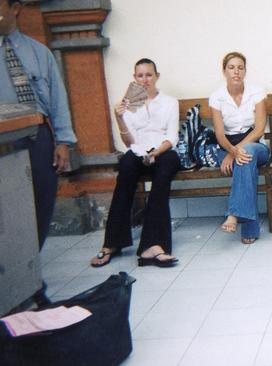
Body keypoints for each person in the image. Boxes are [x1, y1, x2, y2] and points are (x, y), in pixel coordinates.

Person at [0, 0, 77, 250]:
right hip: (3, 140)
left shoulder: (38, 52)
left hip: (37, 137)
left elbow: (58, 100)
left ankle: (31, 269)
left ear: (15, 8)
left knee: (42, 201)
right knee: (8, 210)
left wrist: (63, 142)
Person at [91, 58, 180, 268]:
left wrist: (156, 153)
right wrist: (119, 118)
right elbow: (129, 142)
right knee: (125, 171)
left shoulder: (169, 102)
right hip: (138, 150)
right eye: (140, 76)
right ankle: (112, 243)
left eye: (149, 75)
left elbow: (172, 136)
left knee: (162, 178)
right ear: (134, 78)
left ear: (157, 76)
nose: (145, 80)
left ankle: (154, 245)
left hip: (164, 150)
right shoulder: (128, 105)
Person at [210, 51, 269, 244]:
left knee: (247, 154)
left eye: (240, 67)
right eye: (231, 67)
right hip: (226, 145)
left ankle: (234, 214)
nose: (236, 71)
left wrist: (236, 153)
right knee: (245, 162)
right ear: (224, 71)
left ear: (245, 71)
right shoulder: (217, 97)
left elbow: (259, 129)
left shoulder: (257, 93)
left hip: (253, 143)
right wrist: (230, 152)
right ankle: (249, 230)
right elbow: (219, 134)